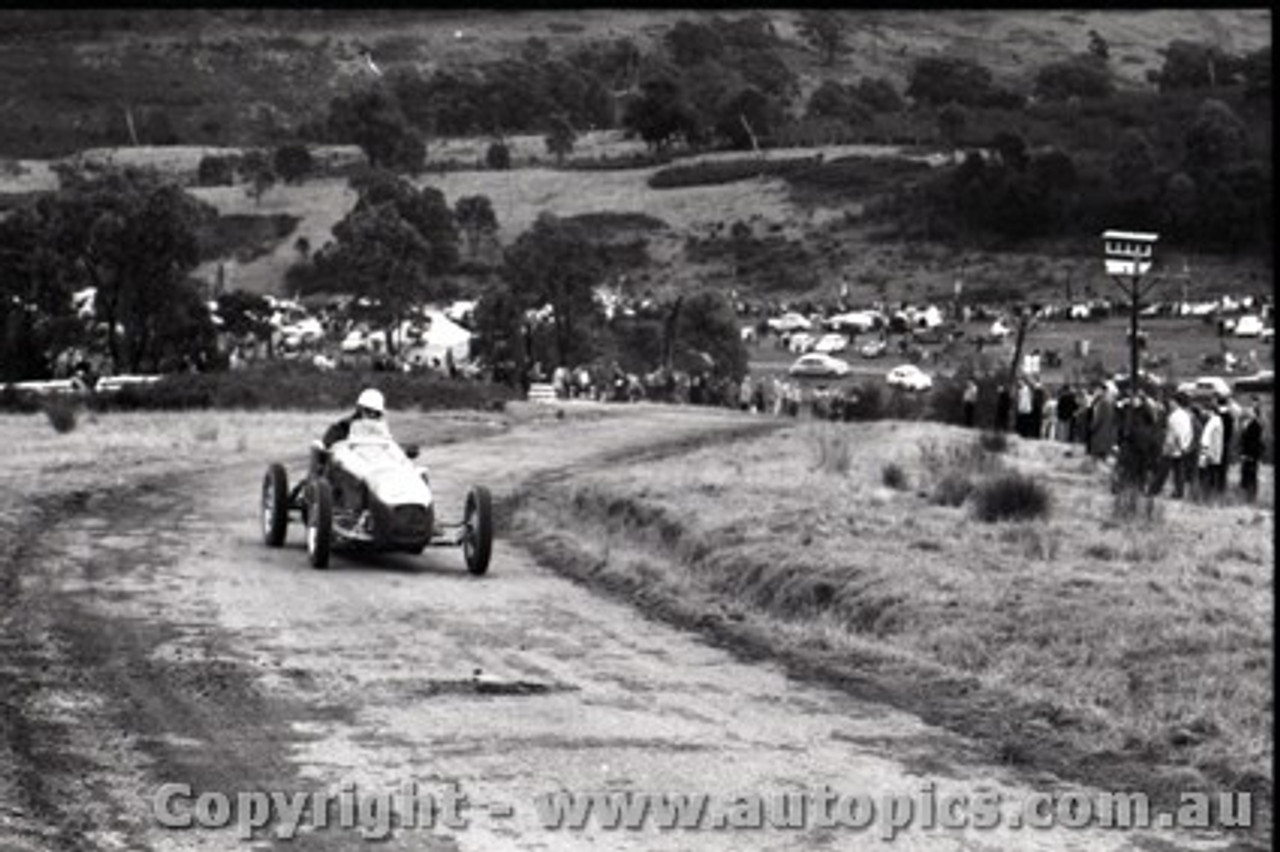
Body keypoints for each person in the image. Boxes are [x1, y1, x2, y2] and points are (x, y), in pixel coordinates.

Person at [1150, 392, 1194, 498]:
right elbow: (1189, 432)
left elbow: (1174, 434)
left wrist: (1168, 447)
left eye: (1171, 401)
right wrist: (1185, 445)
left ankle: (1154, 490)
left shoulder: (1174, 417)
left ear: (1176, 402)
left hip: (1173, 447)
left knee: (1162, 471)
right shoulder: (1186, 415)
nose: (1169, 403)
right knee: (1179, 472)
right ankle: (1179, 492)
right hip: (1183, 446)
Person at [322, 388, 390, 448]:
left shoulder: (380, 430)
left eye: (377, 413)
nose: (372, 415)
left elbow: (389, 448)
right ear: (360, 410)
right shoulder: (342, 427)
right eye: (368, 411)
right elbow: (326, 446)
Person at [1239, 400, 1265, 502]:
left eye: (1250, 411)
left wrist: (1247, 454)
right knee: (1247, 475)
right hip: (1249, 453)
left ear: (1254, 413)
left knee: (1251, 475)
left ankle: (1251, 497)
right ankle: (1248, 496)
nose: (1248, 412)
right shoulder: (1249, 423)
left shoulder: (1256, 425)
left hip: (1251, 454)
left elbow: (1253, 442)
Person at [1198, 402, 1225, 495]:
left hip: (1210, 450)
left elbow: (1207, 437)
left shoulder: (1214, 421)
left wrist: (1205, 450)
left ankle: (1208, 492)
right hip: (1212, 450)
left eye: (1207, 410)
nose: (1205, 412)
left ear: (1211, 411)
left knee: (1209, 472)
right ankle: (1208, 491)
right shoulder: (1215, 420)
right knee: (1210, 471)